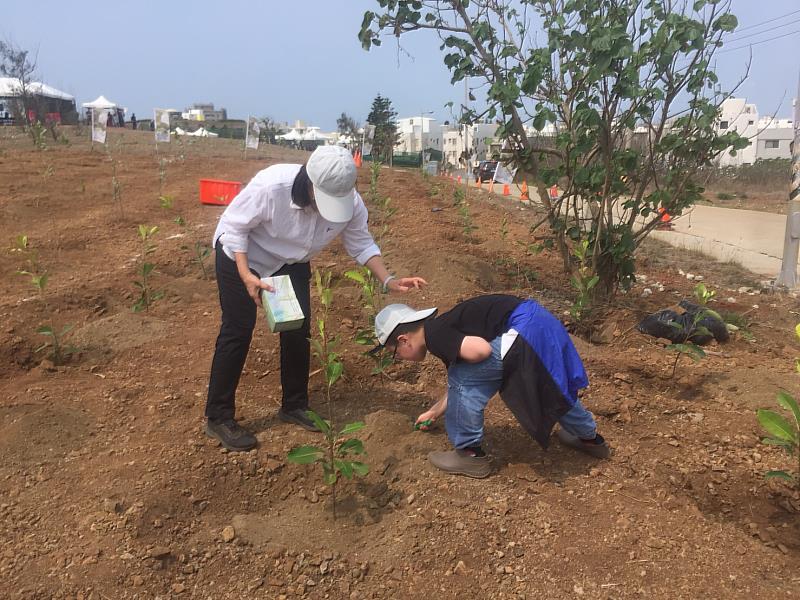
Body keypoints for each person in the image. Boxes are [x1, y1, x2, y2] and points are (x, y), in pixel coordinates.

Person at [206, 145, 426, 452]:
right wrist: (245, 274)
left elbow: (360, 242)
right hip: (242, 256)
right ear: (310, 184)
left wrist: (387, 279)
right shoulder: (272, 187)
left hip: (291, 260)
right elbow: (234, 228)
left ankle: (294, 404)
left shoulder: (351, 202)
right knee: (238, 330)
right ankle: (218, 416)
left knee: (299, 329)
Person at [373, 294, 610, 478]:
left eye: (395, 354)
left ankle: (468, 454)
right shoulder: (441, 326)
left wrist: (461, 383)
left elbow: (479, 353)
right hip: (540, 323)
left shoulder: (434, 335)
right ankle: (589, 438)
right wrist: (436, 410)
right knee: (550, 385)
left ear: (403, 340)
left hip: (522, 330)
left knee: (463, 373)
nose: (399, 359)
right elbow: (470, 377)